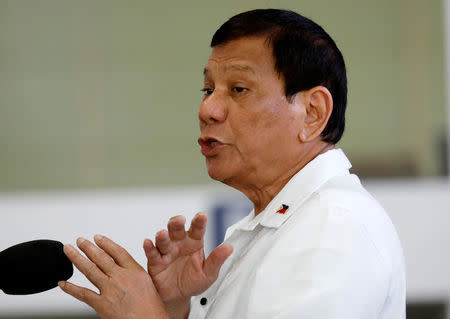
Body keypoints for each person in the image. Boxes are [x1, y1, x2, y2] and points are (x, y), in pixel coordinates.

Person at [59, 9, 406, 319]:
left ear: (312, 113)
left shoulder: (334, 227)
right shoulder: (278, 222)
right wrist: (178, 307)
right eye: (208, 89)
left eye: (238, 89)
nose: (207, 110)